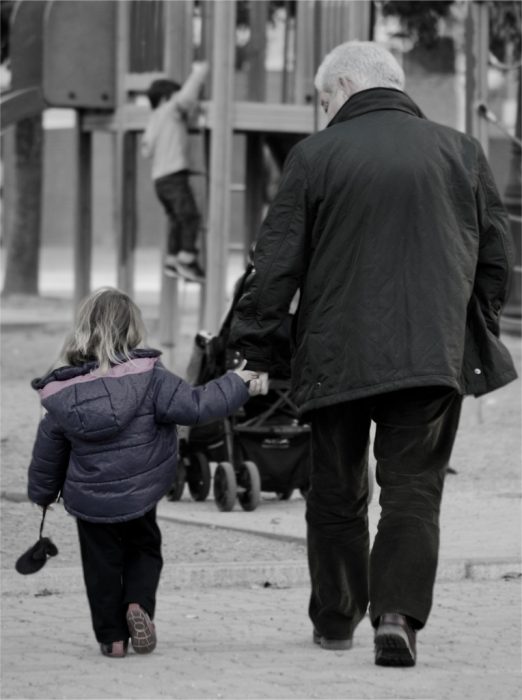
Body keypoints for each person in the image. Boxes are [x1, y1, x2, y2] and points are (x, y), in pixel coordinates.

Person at [228, 41, 517, 667]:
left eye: (323, 98)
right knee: (414, 489)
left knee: (334, 489)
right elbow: (497, 259)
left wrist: (251, 350)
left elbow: (275, 265)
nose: (322, 110)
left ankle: (335, 621)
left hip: (337, 353)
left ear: (344, 86)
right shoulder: (461, 152)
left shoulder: (314, 156)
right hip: (430, 355)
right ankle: (397, 617)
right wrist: (467, 328)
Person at [27, 287, 261, 658]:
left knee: (100, 565)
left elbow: (48, 450)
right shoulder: (152, 376)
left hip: (90, 499)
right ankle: (138, 605)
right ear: (133, 330)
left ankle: (112, 639)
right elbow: (197, 406)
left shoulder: (63, 389)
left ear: (83, 330)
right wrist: (237, 382)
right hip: (140, 491)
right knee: (144, 549)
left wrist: (42, 494)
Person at [142, 61, 209, 282]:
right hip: (174, 176)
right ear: (165, 98)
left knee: (176, 219)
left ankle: (171, 260)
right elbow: (186, 98)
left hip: (159, 180)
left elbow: (146, 149)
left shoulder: (153, 119)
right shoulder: (170, 110)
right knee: (190, 217)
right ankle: (187, 259)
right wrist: (199, 73)